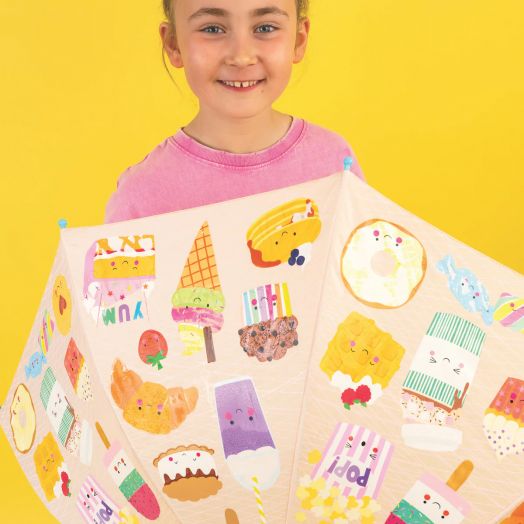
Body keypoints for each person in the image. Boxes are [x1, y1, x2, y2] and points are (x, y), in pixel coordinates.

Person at [105, 0, 364, 223]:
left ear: (298, 40)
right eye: (212, 29)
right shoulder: (140, 197)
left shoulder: (334, 163)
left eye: (265, 28)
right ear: (173, 44)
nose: (241, 57)